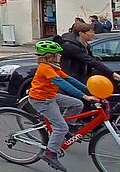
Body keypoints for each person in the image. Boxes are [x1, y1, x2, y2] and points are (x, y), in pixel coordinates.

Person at [28, 40, 99, 172]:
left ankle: (67, 129)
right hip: (41, 100)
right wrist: (84, 96)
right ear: (50, 56)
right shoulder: (45, 68)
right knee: (60, 126)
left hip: (51, 96)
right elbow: (62, 84)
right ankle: (50, 153)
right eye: (58, 54)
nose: (60, 56)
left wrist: (90, 91)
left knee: (77, 104)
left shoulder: (54, 67)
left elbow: (70, 80)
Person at [58, 22, 120, 86]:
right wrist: (118, 77)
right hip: (72, 80)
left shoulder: (84, 45)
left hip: (80, 78)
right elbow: (90, 61)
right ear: (81, 33)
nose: (94, 34)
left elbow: (94, 61)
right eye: (91, 32)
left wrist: (115, 76)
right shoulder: (70, 46)